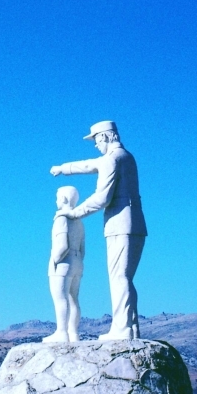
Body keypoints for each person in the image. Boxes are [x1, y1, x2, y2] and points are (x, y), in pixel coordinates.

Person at [50, 121, 147, 340]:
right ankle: (130, 327)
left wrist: (75, 213)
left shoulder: (112, 159)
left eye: (96, 139)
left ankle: (122, 329)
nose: (95, 144)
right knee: (125, 277)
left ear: (105, 136)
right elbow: (89, 165)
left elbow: (102, 198)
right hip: (134, 223)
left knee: (119, 278)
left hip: (120, 225)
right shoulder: (126, 157)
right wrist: (63, 169)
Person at [43, 186, 84, 343]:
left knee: (60, 298)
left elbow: (63, 245)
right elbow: (83, 248)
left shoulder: (61, 218)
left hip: (63, 262)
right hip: (77, 261)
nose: (56, 200)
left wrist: (54, 260)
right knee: (74, 298)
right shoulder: (79, 222)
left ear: (64, 199)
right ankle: (73, 333)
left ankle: (62, 332)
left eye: (58, 197)